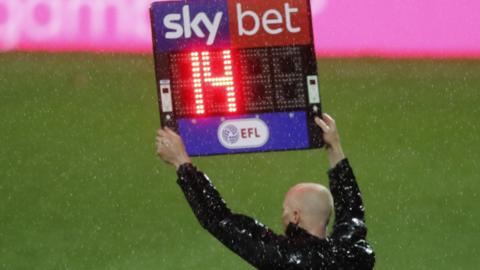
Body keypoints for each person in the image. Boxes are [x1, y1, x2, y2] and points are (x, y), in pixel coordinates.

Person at [155, 113, 375, 269]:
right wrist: (334, 146)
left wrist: (181, 162)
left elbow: (219, 220)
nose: (283, 215)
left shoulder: (286, 257)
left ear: (296, 217)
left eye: (285, 210)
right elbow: (352, 211)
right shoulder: (352, 256)